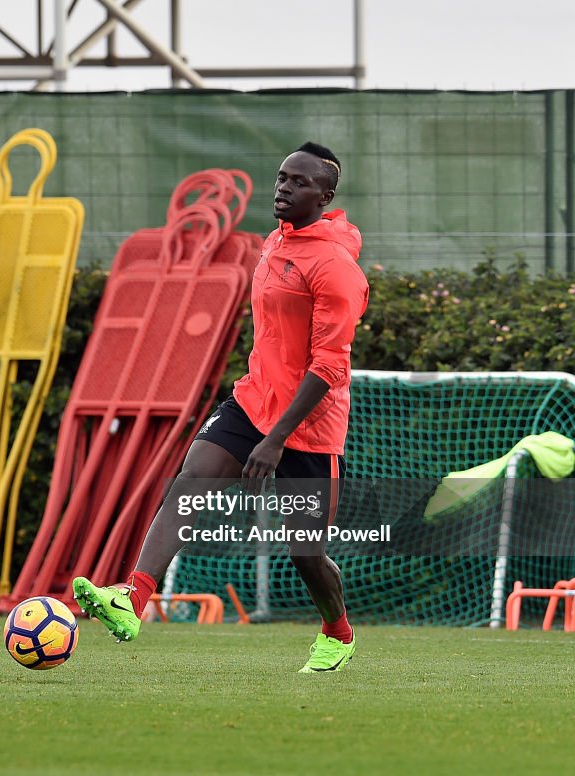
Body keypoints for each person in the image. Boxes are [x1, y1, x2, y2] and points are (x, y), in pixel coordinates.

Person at [73, 142, 369, 673]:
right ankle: (133, 598)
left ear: (325, 196)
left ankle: (337, 632)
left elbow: (329, 368)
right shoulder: (272, 243)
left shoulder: (336, 269)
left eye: (299, 183)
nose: (283, 187)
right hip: (252, 400)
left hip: (309, 426)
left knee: (306, 554)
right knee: (193, 477)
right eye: (281, 177)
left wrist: (275, 440)